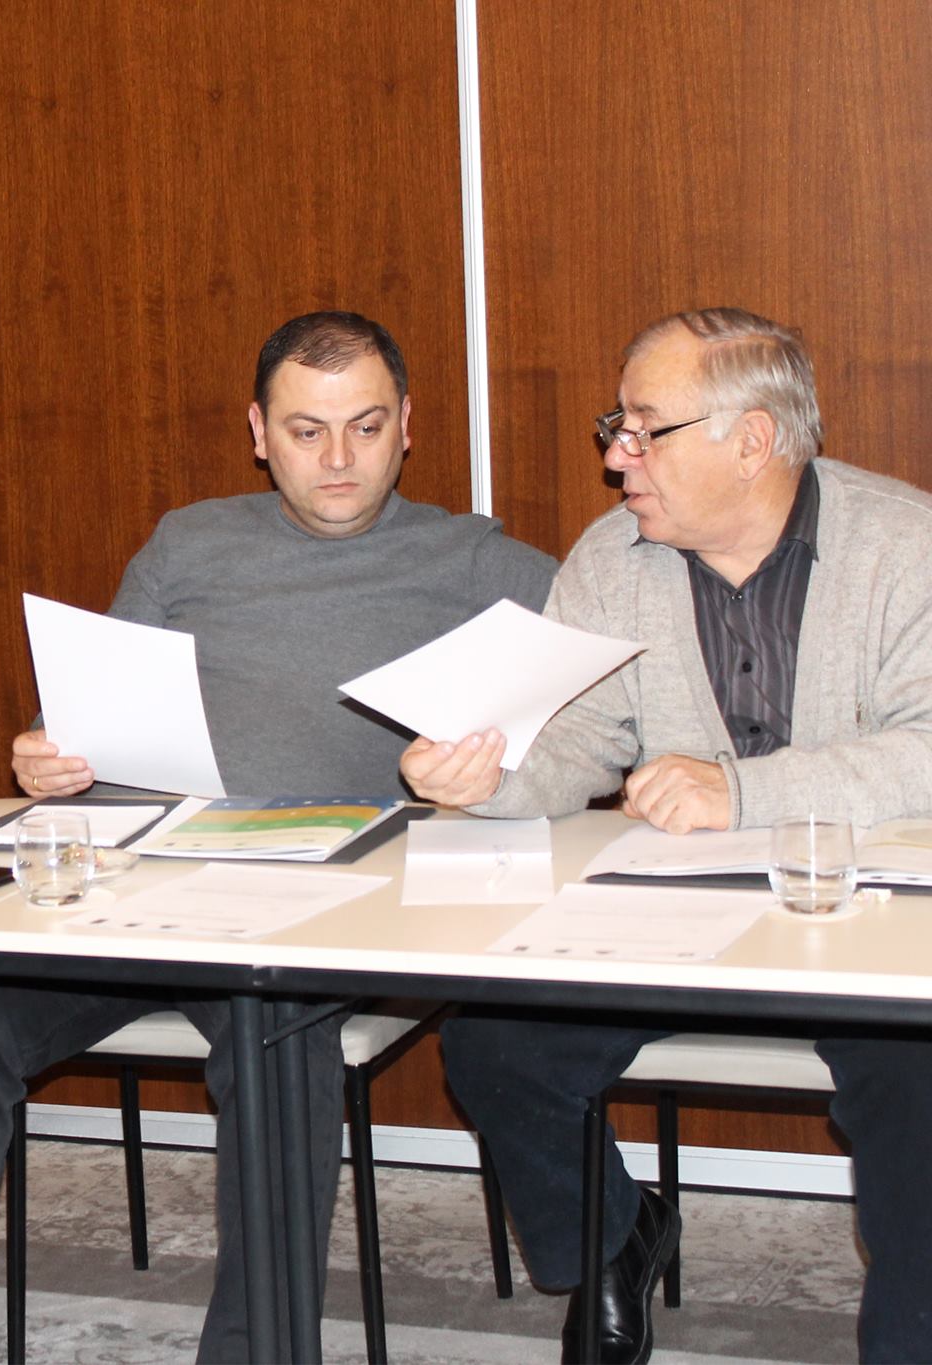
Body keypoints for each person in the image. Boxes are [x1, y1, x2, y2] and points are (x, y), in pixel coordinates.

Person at [0, 311, 557, 1363]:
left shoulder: (469, 558)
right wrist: (52, 753)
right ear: (258, 433)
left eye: (365, 427)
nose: (337, 457)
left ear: (407, 426)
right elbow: (95, 712)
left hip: (325, 903)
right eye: (306, 430)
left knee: (273, 1041)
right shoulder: (189, 542)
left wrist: (496, 773)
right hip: (146, 876)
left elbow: (601, 687)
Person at [402, 307, 932, 1363]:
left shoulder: (904, 548)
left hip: (865, 924)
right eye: (618, 426)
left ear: (751, 441)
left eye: (645, 429)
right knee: (492, 1043)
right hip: (677, 917)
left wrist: (740, 791)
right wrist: (483, 776)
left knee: (918, 1089)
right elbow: (575, 741)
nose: (615, 457)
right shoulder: (612, 559)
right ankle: (614, 1236)